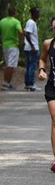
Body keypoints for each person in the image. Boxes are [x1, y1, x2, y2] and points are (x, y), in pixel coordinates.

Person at [38, 16, 55, 172]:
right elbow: (42, 59)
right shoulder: (48, 43)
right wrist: (42, 70)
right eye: (54, 28)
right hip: (52, 87)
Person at [0, 5, 23, 90]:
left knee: (8, 64)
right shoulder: (16, 22)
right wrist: (20, 41)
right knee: (11, 65)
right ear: (15, 13)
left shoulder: (3, 21)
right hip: (13, 46)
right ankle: (6, 83)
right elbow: (21, 32)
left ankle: (7, 83)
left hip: (5, 46)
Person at [24, 6, 41, 91]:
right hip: (32, 48)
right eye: (37, 12)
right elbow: (27, 34)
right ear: (34, 13)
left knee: (28, 65)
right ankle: (31, 83)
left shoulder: (31, 22)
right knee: (32, 66)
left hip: (29, 48)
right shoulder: (31, 23)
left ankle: (27, 83)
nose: (39, 14)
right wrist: (32, 46)